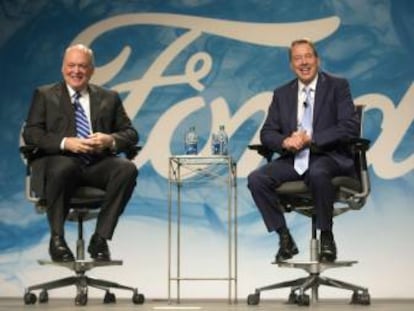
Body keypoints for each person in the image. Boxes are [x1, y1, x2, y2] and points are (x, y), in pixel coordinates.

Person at [23, 43, 139, 262]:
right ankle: (57, 239)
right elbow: (32, 134)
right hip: (60, 164)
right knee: (64, 166)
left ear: (92, 70)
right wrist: (66, 143)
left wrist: (110, 139)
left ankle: (100, 238)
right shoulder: (45, 95)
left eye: (82, 66)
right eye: (71, 65)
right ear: (62, 68)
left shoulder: (109, 97)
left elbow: (131, 134)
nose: (76, 71)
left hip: (96, 165)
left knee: (127, 169)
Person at [247, 38, 360, 263]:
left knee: (318, 173)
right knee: (256, 179)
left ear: (317, 60)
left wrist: (311, 139)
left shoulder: (338, 86)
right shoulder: (282, 94)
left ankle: (327, 236)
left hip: (328, 156)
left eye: (308, 56)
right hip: (294, 160)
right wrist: (285, 141)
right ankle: (284, 237)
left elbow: (349, 126)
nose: (304, 62)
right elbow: (267, 132)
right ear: (291, 65)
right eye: (297, 58)